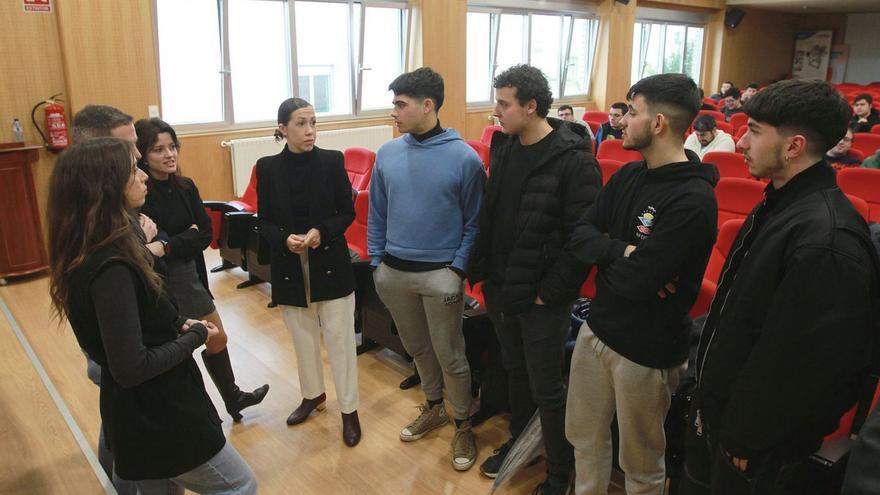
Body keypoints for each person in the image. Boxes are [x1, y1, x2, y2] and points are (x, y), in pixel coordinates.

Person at [683, 79, 880, 495]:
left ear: (793, 147)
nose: (739, 143)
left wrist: (749, 437)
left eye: (753, 131)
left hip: (757, 443)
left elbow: (806, 365)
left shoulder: (826, 237)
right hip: (729, 418)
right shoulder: (781, 202)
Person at [47, 138, 257, 494]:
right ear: (107, 186)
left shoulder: (95, 251)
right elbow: (132, 367)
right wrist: (194, 337)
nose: (143, 175)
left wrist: (178, 324)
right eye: (133, 169)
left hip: (140, 415)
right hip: (159, 413)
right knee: (239, 486)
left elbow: (141, 319)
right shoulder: (112, 265)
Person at [565, 73, 718, 495]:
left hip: (647, 352)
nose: (621, 121)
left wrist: (614, 255)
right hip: (597, 330)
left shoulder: (693, 199)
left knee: (641, 464)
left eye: (632, 112)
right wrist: (625, 252)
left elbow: (638, 282)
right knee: (584, 439)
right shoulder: (629, 176)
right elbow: (579, 236)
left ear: (658, 123)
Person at [468, 64, 602, 495]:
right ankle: (521, 445)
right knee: (515, 371)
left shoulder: (574, 159)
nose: (497, 112)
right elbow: (493, 213)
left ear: (530, 106)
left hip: (543, 296)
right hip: (504, 284)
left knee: (547, 385)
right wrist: (483, 269)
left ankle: (559, 474)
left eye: (504, 104)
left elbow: (580, 237)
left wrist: (551, 294)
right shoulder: (506, 146)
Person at [368, 67, 484, 471]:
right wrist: (377, 262)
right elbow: (377, 212)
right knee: (417, 349)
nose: (394, 112)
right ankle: (433, 407)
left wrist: (457, 269)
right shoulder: (388, 153)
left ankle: (463, 423)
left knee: (451, 354)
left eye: (400, 104)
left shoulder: (464, 158)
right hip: (394, 273)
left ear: (427, 105)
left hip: (441, 275)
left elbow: (474, 221)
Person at [135, 118, 269, 422]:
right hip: (164, 279)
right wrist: (183, 238)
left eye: (172, 147)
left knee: (216, 338)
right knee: (179, 350)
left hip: (190, 273)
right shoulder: (142, 194)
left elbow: (205, 234)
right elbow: (155, 244)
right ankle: (201, 413)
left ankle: (232, 398)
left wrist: (171, 242)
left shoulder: (185, 186)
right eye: (159, 150)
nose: (169, 154)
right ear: (143, 155)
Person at [257, 97, 362, 447]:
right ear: (282, 128)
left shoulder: (332, 161)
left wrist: (321, 232)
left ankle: (349, 410)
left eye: (313, 122)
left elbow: (346, 212)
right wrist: (283, 240)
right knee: (303, 342)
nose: (310, 131)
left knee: (341, 343)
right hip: (290, 267)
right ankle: (313, 395)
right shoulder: (267, 167)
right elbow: (264, 222)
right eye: (301, 124)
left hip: (329, 263)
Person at [71, 104, 163, 495]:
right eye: (130, 148)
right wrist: (148, 249)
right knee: (135, 441)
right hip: (126, 358)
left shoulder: (106, 213)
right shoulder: (97, 233)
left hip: (126, 355)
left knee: (118, 427)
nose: (140, 157)